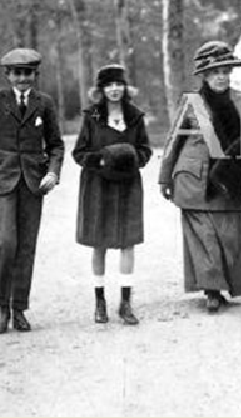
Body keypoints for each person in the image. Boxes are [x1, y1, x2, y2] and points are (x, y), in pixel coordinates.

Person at [158, 41, 241, 313]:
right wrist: (164, 177)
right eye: (215, 71)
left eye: (225, 71)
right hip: (197, 180)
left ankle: (227, 284)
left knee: (229, 235)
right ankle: (211, 290)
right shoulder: (191, 102)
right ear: (204, 75)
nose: (221, 76)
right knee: (204, 236)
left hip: (232, 180)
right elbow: (173, 141)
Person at [0, 47, 64, 334]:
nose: (23, 78)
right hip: (2, 182)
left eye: (28, 73)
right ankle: (2, 307)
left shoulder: (45, 103)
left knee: (26, 247)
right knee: (6, 243)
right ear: (8, 75)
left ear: (35, 75)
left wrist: (52, 172)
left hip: (33, 185)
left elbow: (56, 145)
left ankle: (19, 309)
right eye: (17, 73)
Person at [72, 64, 152, 325]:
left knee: (128, 242)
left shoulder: (136, 116)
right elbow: (79, 153)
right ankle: (100, 302)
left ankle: (126, 303)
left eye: (118, 84)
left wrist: (131, 158)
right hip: (98, 185)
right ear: (101, 90)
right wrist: (103, 160)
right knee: (100, 242)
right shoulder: (91, 117)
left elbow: (145, 151)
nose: (114, 90)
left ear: (125, 87)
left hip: (128, 184)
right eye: (108, 85)